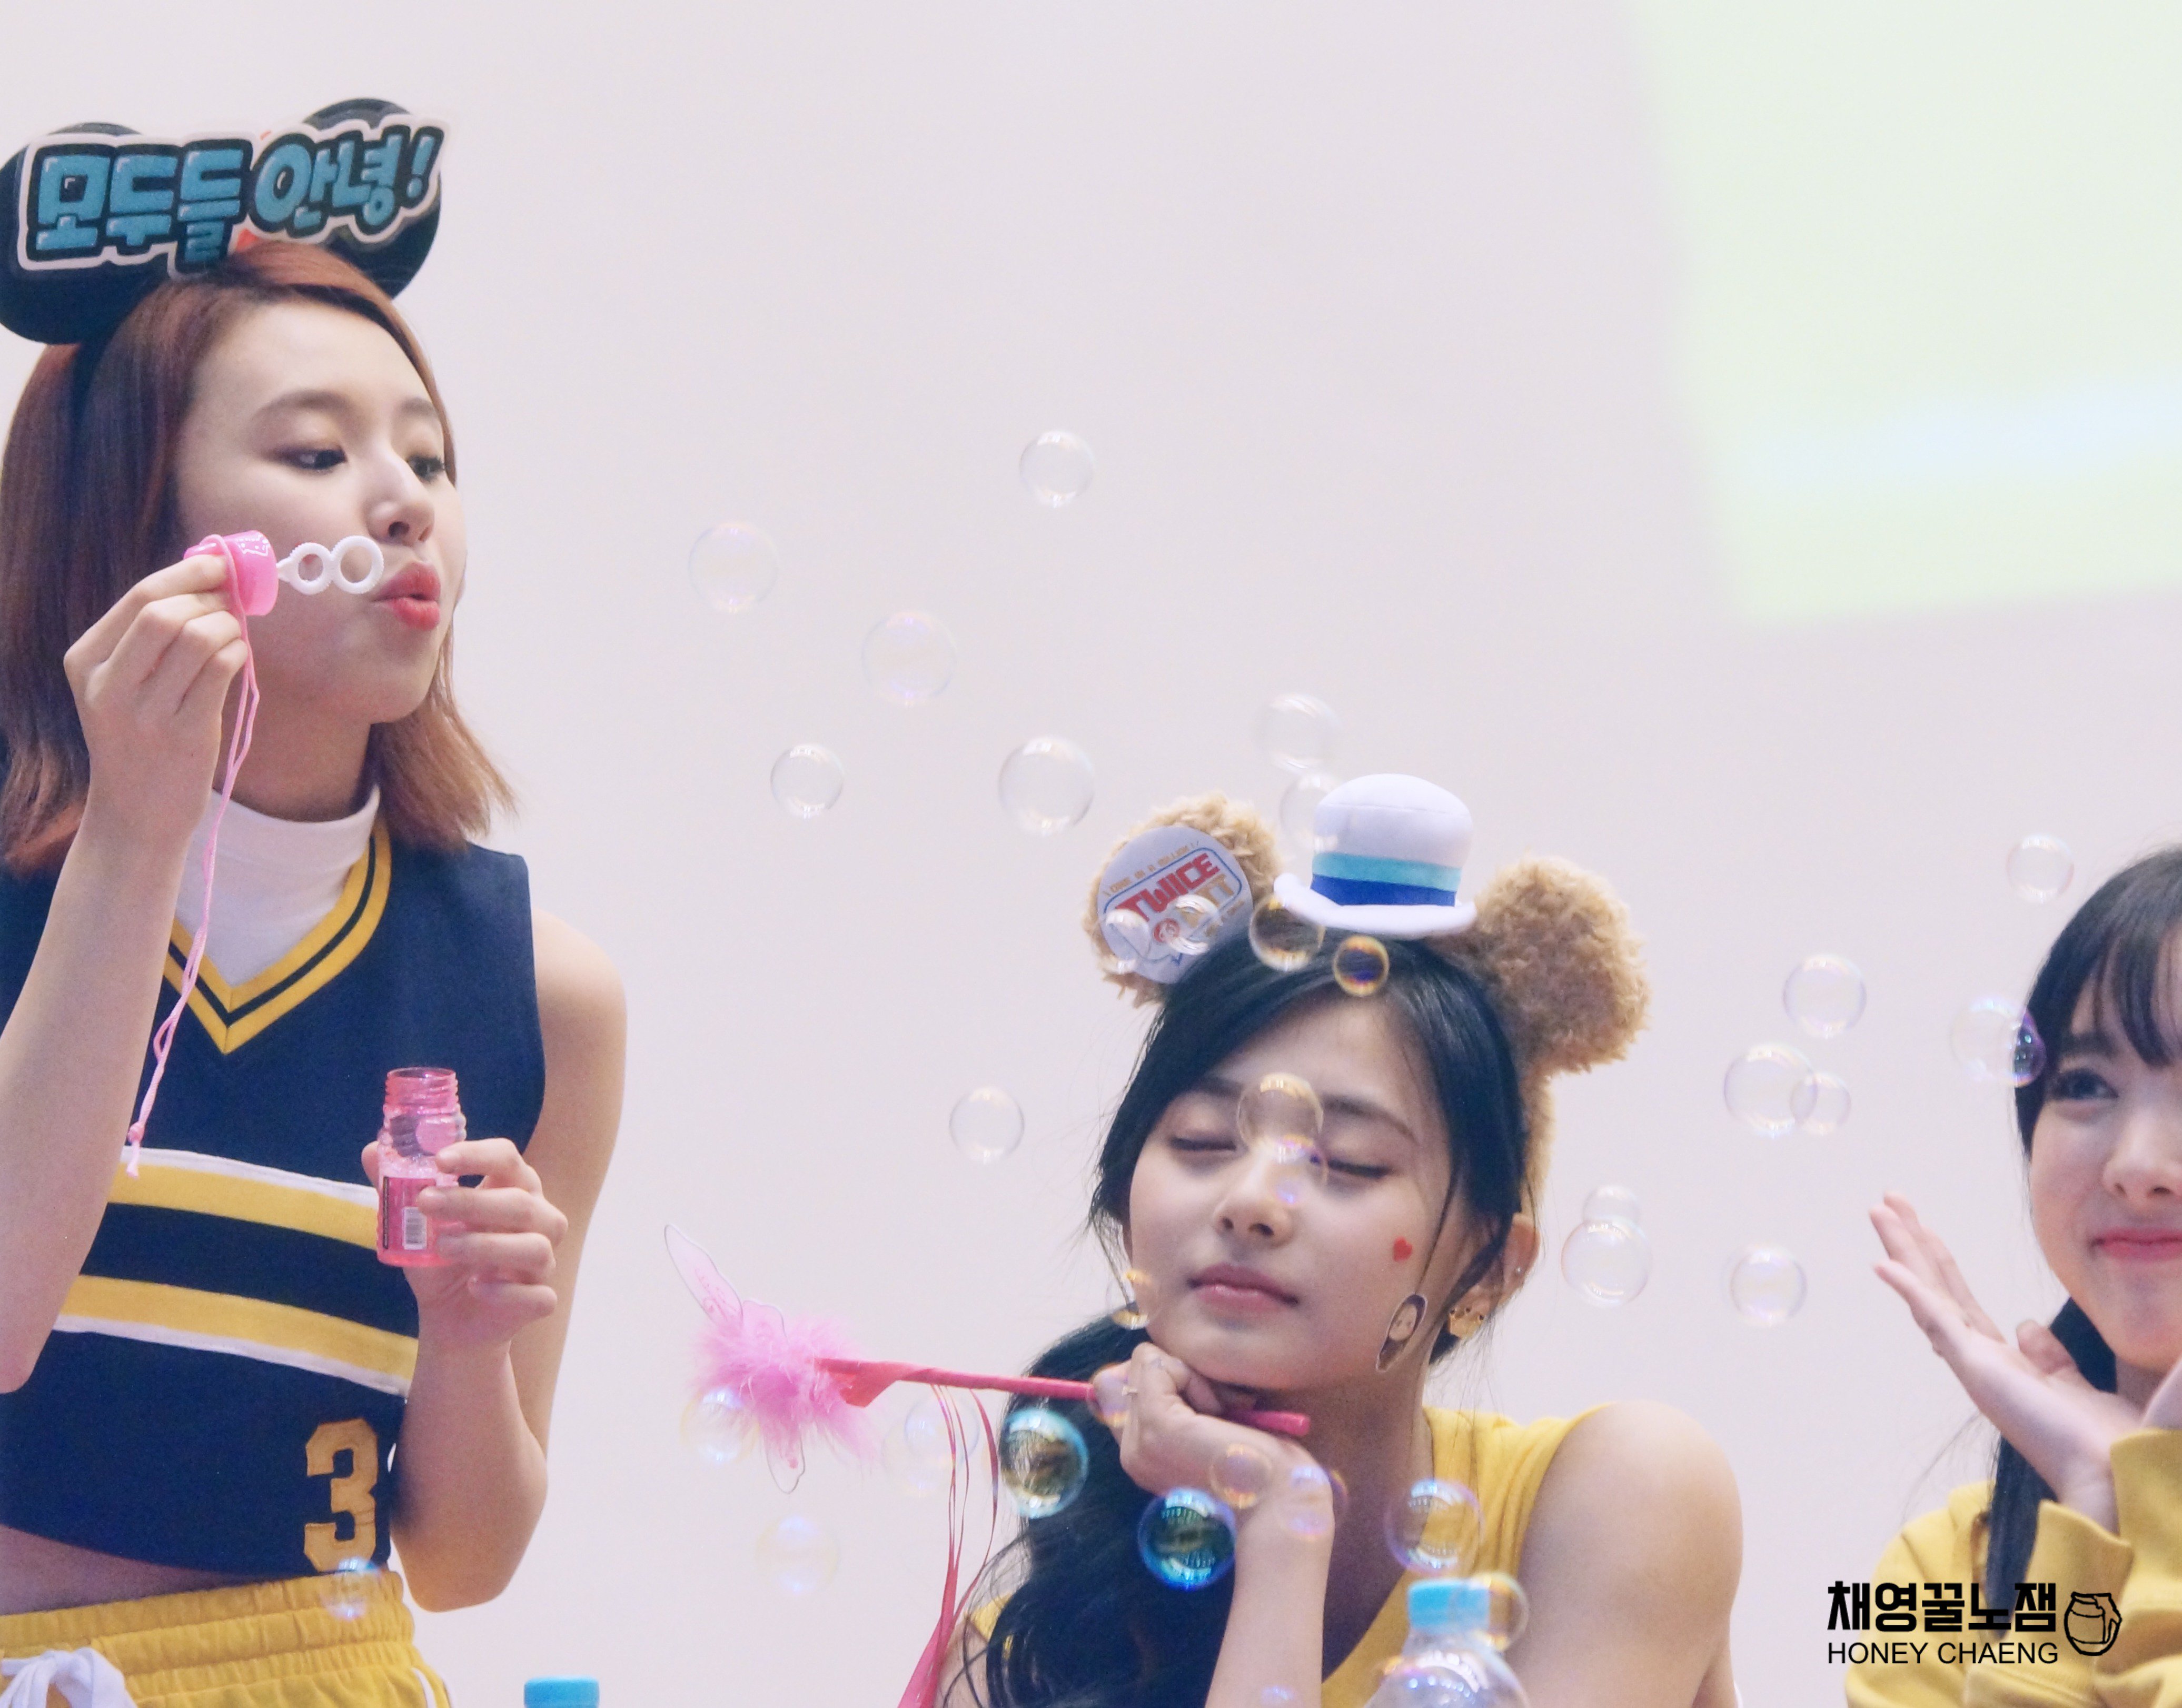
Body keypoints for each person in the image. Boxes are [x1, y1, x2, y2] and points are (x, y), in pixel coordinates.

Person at [0, 111, 624, 1708]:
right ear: (137, 519)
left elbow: (464, 1559)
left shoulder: (534, 989)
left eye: (430, 457)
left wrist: (465, 1330)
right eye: (315, 453)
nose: (402, 501)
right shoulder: (33, 895)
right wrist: (136, 832)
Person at [945, 780, 1741, 1708]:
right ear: (1126, 1205)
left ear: (1490, 1266)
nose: (1251, 1202)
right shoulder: (1019, 1660)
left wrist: (1282, 1521)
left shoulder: (1630, 1492)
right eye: (1201, 1142)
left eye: (1350, 1163)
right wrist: (1275, 1525)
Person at [1851, 849, 2182, 1704]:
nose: (2139, 1167)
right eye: (2087, 1084)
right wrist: (2095, 1505)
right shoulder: (1943, 1576)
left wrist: (2160, 1508)